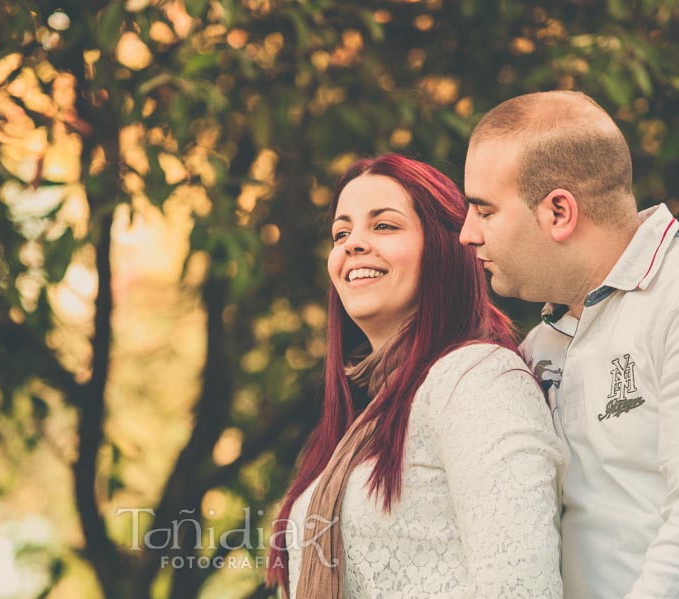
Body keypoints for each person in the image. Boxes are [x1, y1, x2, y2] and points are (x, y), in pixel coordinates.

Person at [266, 154, 565, 599]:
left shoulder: (477, 381)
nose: (353, 244)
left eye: (383, 226)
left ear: (445, 247)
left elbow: (521, 587)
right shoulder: (365, 416)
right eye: (341, 233)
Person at [459, 90, 679, 599]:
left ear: (559, 211)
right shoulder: (539, 347)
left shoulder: (670, 298)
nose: (467, 234)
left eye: (484, 211)